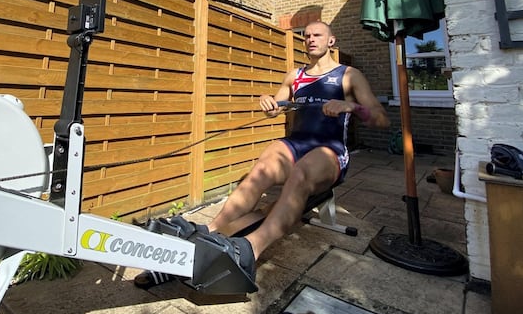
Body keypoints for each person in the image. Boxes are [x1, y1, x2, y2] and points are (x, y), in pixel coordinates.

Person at [135, 21, 389, 290]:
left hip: (330, 150)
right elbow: (275, 107)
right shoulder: (295, 76)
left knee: (301, 175)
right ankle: (210, 232)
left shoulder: (349, 75)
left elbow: (381, 119)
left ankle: (249, 250)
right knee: (260, 170)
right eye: (306, 36)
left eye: (318, 35)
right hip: (296, 144)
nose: (311, 39)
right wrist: (268, 101)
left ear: (331, 42)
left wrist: (352, 106)